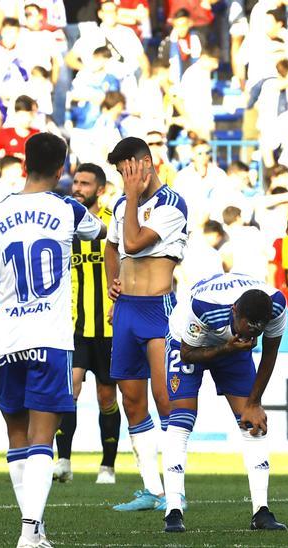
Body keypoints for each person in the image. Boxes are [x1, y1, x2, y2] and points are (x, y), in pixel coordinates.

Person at [0, 133, 106, 548]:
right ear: (62, 170)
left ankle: (36, 528)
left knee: (17, 437)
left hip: (5, 337)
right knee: (44, 438)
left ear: (23, 165)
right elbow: (102, 235)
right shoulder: (69, 209)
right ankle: (29, 533)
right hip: (50, 337)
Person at [160, 272, 288, 533]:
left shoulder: (275, 305)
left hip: (232, 347)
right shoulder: (206, 307)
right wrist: (227, 349)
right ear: (234, 312)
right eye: (247, 329)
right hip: (186, 341)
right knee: (182, 418)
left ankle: (261, 511)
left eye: (257, 332)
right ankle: (173, 509)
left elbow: (270, 353)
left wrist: (255, 402)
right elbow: (188, 353)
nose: (252, 336)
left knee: (252, 420)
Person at [103, 136, 189, 512]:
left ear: (145, 165)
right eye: (121, 173)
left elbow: (134, 243)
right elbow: (112, 246)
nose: (124, 179)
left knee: (166, 398)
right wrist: (112, 282)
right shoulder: (123, 203)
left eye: (127, 171)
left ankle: (175, 493)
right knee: (132, 401)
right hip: (126, 312)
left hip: (159, 308)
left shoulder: (172, 204)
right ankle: (151, 489)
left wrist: (133, 197)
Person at [54, 163, 122, 485]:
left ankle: (107, 466)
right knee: (71, 388)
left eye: (85, 184)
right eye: (75, 182)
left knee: (107, 398)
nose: (77, 188)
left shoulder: (114, 224)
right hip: (76, 326)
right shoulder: (64, 225)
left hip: (109, 328)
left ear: (100, 189)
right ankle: (63, 461)